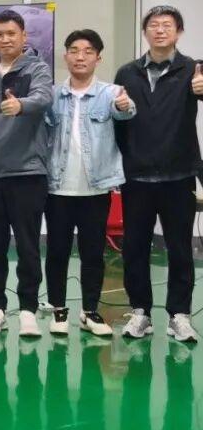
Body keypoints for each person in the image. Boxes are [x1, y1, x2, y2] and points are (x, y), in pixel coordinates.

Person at [115, 5, 203, 343]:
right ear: (145, 32)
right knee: (134, 248)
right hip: (136, 177)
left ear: (178, 32)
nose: (160, 30)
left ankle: (179, 315)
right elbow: (118, 122)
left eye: (167, 25)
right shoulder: (127, 73)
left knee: (180, 249)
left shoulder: (192, 69)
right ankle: (141, 313)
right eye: (154, 25)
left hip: (178, 175)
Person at [44, 29, 135, 339]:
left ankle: (90, 311)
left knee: (93, 253)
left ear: (98, 57)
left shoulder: (111, 93)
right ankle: (58, 309)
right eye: (74, 50)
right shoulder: (52, 94)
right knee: (56, 251)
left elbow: (126, 112)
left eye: (87, 51)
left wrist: (124, 106)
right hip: (57, 188)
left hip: (95, 188)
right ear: (66, 56)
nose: (80, 56)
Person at [0, 9, 53, 337]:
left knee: (27, 244)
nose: (5, 39)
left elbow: (44, 98)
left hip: (27, 171)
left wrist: (21, 105)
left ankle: (29, 308)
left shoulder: (37, 68)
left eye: (11, 34)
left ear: (23, 36)